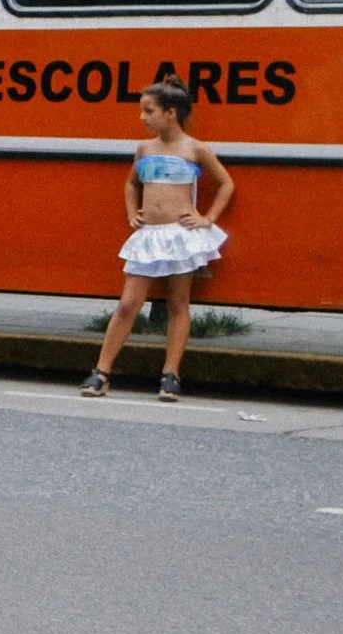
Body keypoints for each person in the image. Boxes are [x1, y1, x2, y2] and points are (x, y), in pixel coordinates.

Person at [83, 75, 237, 404]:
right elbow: (131, 183)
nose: (142, 117)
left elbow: (226, 183)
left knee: (178, 304)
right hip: (149, 236)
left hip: (182, 237)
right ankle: (102, 371)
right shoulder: (145, 149)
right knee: (128, 304)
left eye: (148, 111)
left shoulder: (195, 148)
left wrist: (207, 218)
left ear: (171, 113)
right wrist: (131, 213)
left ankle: (171, 374)